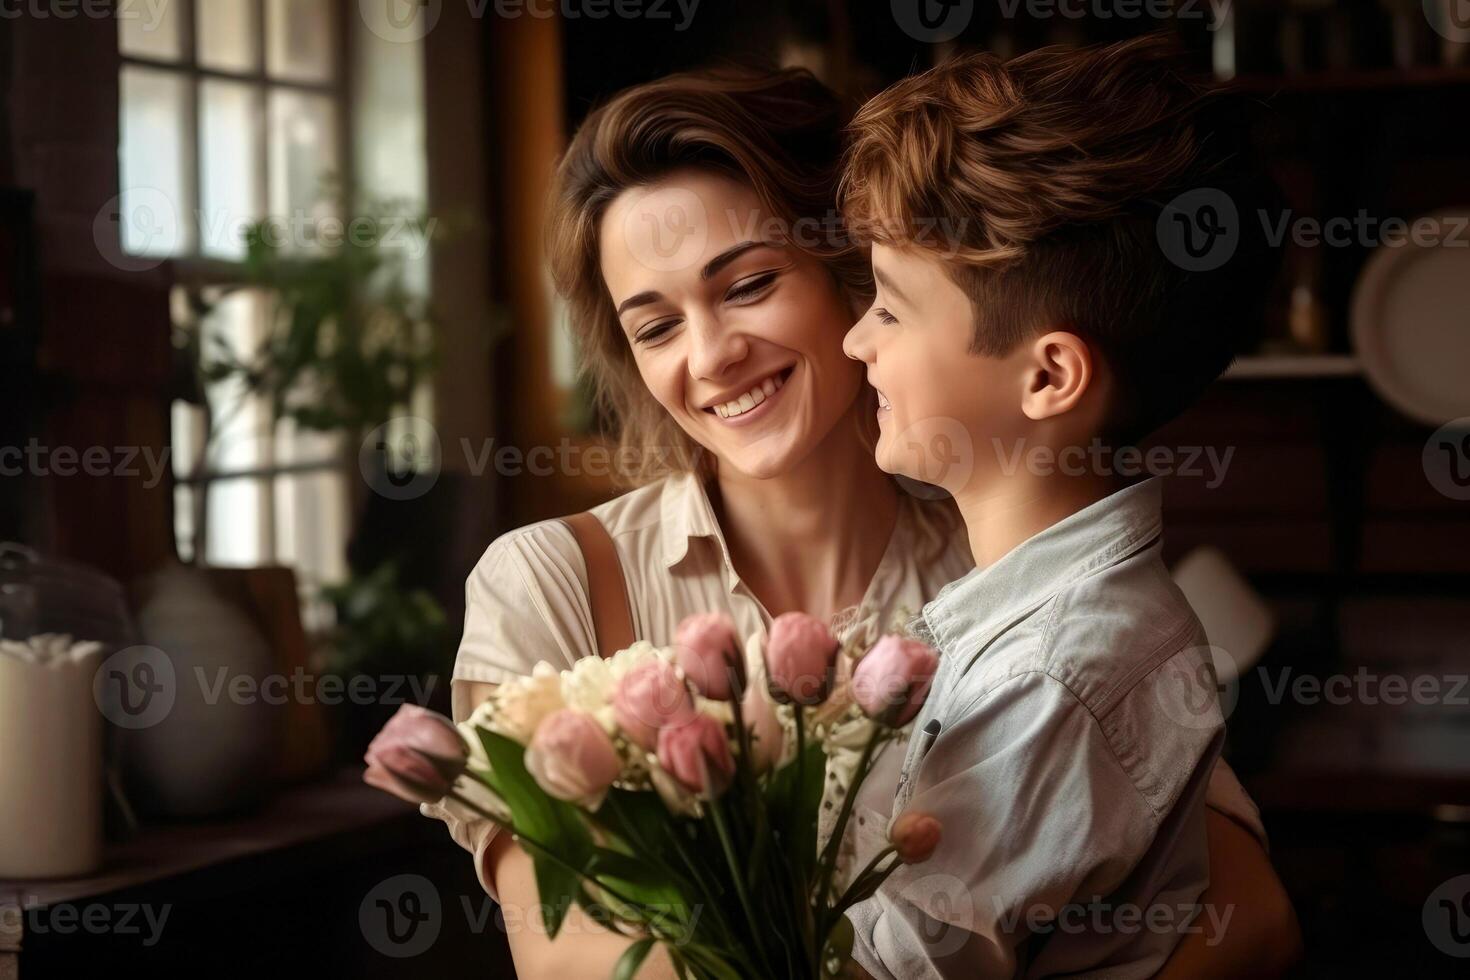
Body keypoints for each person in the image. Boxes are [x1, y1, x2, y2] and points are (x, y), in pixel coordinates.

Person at [412, 66, 1295, 978]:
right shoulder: (545, 584)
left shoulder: (1015, 567)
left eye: (749, 284)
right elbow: (575, 960)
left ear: (853, 268)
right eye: (656, 327)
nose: (711, 356)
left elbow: (1250, 914)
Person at [837, 35, 1291, 978]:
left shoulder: (1055, 672)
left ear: (1047, 375)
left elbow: (902, 969)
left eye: (889, 308)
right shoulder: (1028, 614)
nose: (853, 341)